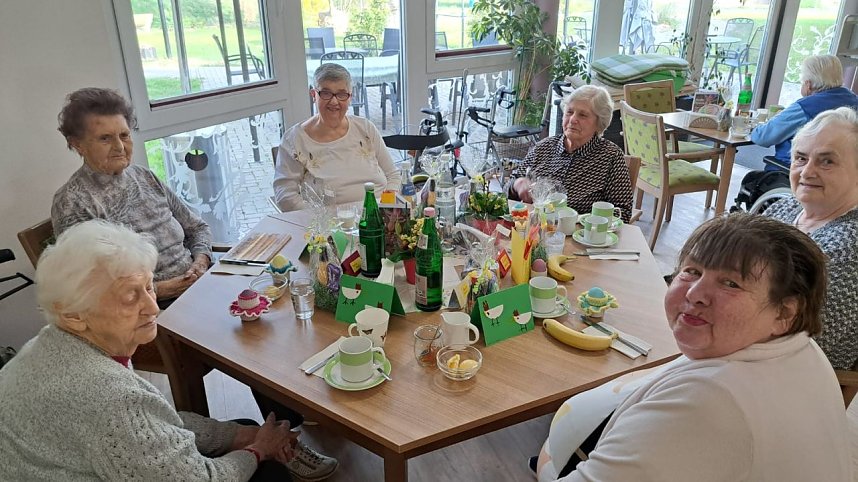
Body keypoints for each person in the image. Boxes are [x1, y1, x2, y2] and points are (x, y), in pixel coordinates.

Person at [535, 214, 852, 481]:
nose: (695, 294)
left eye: (731, 283)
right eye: (692, 271)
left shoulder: (712, 403)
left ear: (784, 313)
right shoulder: (802, 350)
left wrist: (550, 462)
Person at [0, 220, 304, 480]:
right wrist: (258, 449)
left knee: (243, 428)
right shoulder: (110, 398)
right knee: (269, 473)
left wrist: (238, 436)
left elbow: (153, 423)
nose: (152, 307)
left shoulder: (50, 344)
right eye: (130, 297)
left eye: (148, 287)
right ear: (73, 314)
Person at [52, 87, 211, 304]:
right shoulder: (73, 202)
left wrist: (201, 262)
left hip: (198, 284)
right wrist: (160, 290)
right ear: (77, 145)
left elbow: (197, 228)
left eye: (124, 135)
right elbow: (91, 287)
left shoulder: (144, 176)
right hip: (149, 308)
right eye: (105, 138)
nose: (119, 147)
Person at [764, 106, 858, 374]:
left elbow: (806, 341)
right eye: (801, 158)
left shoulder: (850, 247)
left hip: (792, 373)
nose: (806, 172)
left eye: (826, 161)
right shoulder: (785, 208)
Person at [273, 63, 401, 211]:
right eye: (326, 93)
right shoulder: (294, 140)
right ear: (314, 95)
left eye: (341, 94)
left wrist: (386, 209)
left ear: (350, 97)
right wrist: (319, 219)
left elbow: (392, 175)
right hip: (326, 222)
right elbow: (285, 196)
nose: (334, 102)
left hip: (378, 215)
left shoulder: (365, 128)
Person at [507, 85, 633, 223]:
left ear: (599, 123)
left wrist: (583, 221)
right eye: (569, 112)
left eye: (582, 115)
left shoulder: (611, 156)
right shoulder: (544, 147)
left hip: (582, 233)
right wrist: (517, 184)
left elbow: (623, 212)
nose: (572, 119)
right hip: (534, 228)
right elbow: (508, 188)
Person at [751, 54, 858, 171]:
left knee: (751, 178)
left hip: (796, 172)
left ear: (808, 84)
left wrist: (753, 126)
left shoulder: (805, 107)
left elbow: (761, 137)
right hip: (841, 173)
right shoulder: (854, 100)